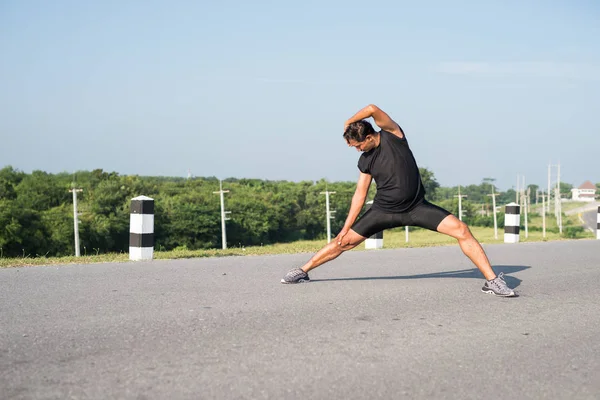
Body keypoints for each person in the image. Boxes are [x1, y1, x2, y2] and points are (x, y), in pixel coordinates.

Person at [281, 104, 516, 297]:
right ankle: (303, 270)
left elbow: (372, 108)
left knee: (462, 230)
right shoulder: (365, 161)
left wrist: (348, 121)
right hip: (384, 210)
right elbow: (360, 194)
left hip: (416, 208)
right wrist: (345, 227)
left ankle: (492, 281)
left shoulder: (393, 135)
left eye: (358, 145)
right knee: (344, 242)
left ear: (370, 136)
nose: (357, 150)